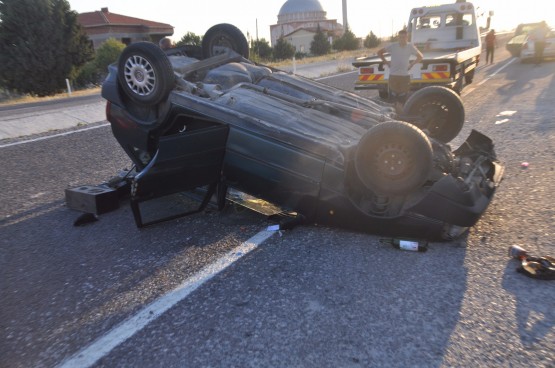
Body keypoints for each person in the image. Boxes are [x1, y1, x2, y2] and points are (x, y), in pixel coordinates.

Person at [378, 29, 423, 110]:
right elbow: (379, 52)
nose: (402, 39)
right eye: (400, 37)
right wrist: (386, 62)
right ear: (398, 38)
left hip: (404, 77)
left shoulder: (410, 46)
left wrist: (411, 65)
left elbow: (420, 56)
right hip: (393, 76)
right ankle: (392, 116)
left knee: (403, 98)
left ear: (407, 37)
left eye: (404, 37)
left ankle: (402, 117)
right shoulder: (393, 46)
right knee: (393, 98)